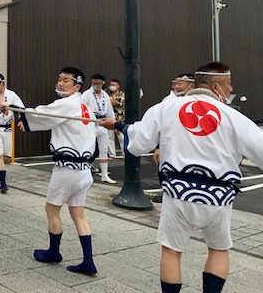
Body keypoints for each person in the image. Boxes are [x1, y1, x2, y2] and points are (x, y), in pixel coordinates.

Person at [100, 62, 263, 293]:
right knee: (218, 250)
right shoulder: (234, 117)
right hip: (218, 196)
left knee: (172, 251)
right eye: (228, 84)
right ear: (216, 87)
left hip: (178, 192)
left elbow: (139, 142)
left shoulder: (166, 108)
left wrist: (118, 125)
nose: (231, 89)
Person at [5, 67, 98, 275]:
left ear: (77, 86)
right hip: (83, 170)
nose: (61, 83)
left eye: (66, 80)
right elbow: (48, 116)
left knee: (52, 209)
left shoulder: (68, 104)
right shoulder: (84, 107)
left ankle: (54, 252)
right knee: (78, 215)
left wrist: (13, 108)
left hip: (67, 169)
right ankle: (88, 261)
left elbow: (42, 113)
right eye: (60, 79)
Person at [0, 73, 24, 193]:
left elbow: (20, 108)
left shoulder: (11, 94)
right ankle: (3, 183)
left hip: (7, 129)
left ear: (2, 83)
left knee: (4, 157)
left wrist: (21, 120)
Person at [81, 74, 117, 184]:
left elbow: (110, 111)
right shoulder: (86, 95)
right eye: (94, 83)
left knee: (104, 150)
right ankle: (85, 173)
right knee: (89, 148)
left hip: (103, 124)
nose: (96, 85)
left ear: (102, 83)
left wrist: (114, 124)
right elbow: (81, 110)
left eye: (98, 83)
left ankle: (105, 175)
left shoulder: (105, 95)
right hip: (91, 124)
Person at [154, 73, 195, 164]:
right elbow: (162, 125)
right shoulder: (168, 102)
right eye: (175, 84)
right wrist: (158, 147)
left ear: (191, 86)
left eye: (180, 84)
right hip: (172, 144)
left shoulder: (198, 101)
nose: (176, 87)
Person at [108, 79, 125, 155]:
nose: (111, 86)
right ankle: (112, 154)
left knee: (122, 138)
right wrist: (112, 102)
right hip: (110, 119)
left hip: (120, 119)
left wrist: (111, 102)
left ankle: (125, 154)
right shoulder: (108, 95)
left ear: (118, 86)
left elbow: (119, 103)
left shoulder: (122, 94)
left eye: (113, 85)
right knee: (110, 137)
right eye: (111, 85)